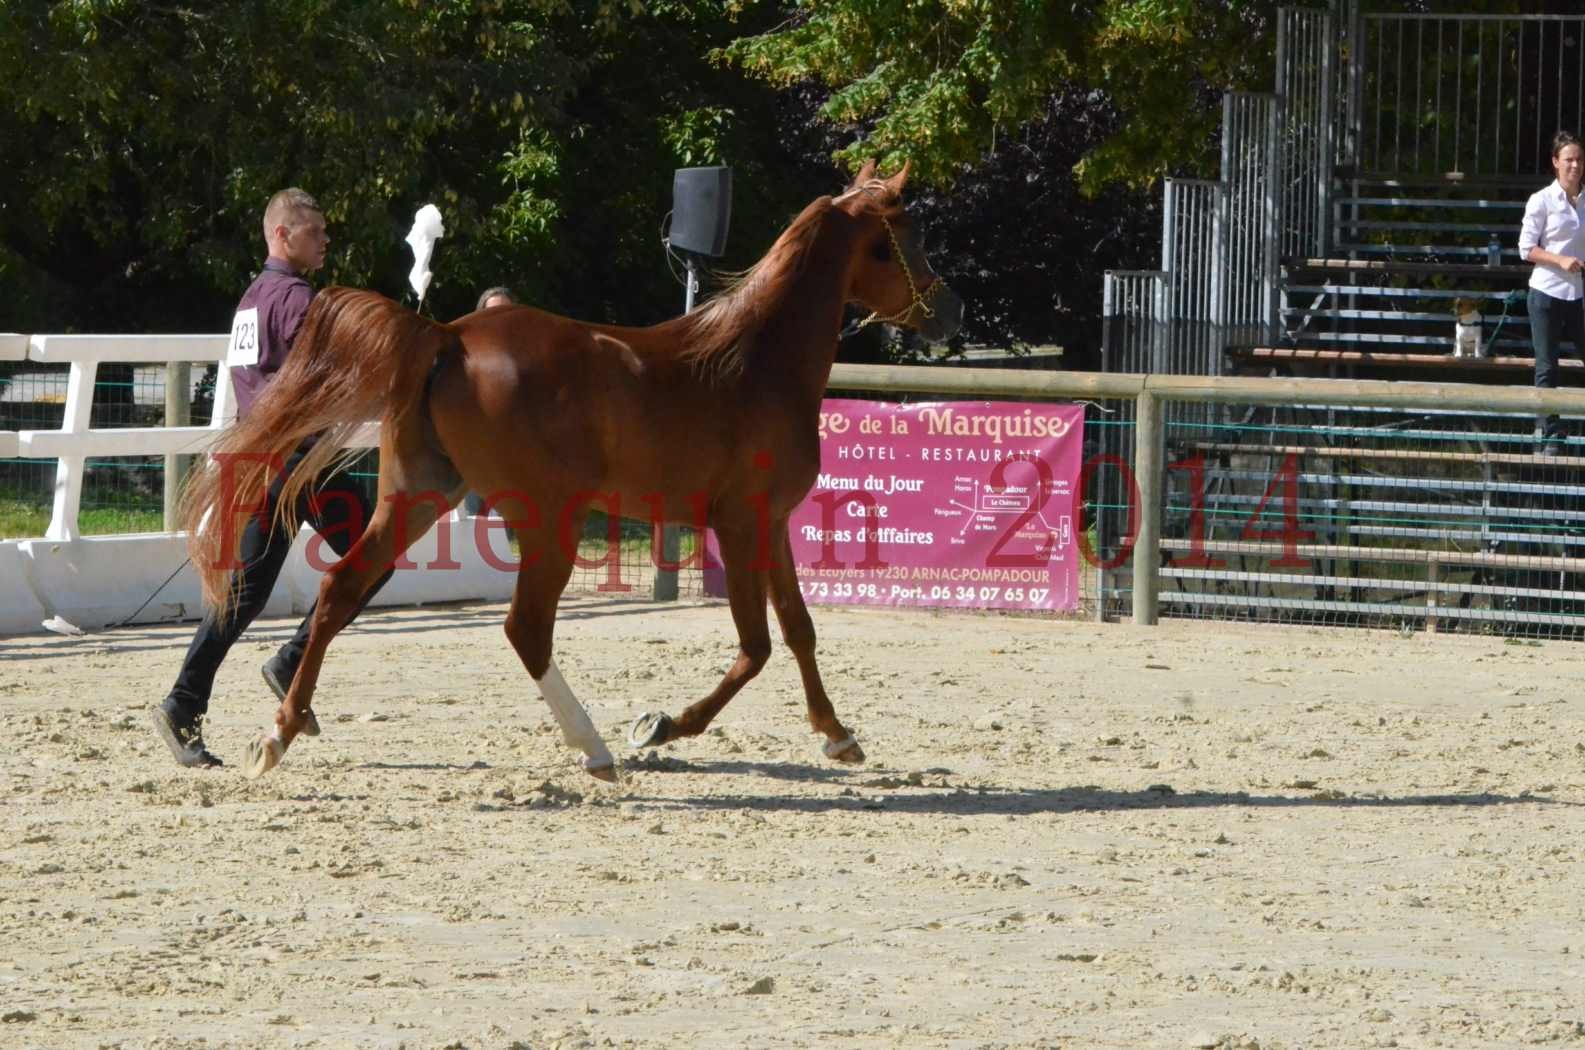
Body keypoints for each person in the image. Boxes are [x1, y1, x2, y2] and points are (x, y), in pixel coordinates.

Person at [153, 188, 391, 768]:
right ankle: (286, 662)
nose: (325, 239)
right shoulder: (298, 300)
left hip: (263, 460)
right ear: (282, 234)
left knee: (245, 595)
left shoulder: (251, 301)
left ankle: (187, 702)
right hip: (299, 460)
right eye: (315, 231)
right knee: (375, 558)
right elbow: (333, 372)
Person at [1520, 130, 1585, 455]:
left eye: (1579, 159)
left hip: (1579, 295)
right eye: (1568, 159)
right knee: (1547, 366)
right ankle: (1551, 435)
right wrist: (1559, 259)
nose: (1574, 165)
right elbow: (1525, 248)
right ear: (1555, 163)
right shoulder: (1541, 200)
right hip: (1546, 293)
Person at [463, 286, 517, 516]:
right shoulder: (467, 351)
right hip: (478, 446)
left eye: (506, 312)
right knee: (477, 516)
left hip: (521, 448)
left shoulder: (532, 349)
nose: (499, 319)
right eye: (492, 312)